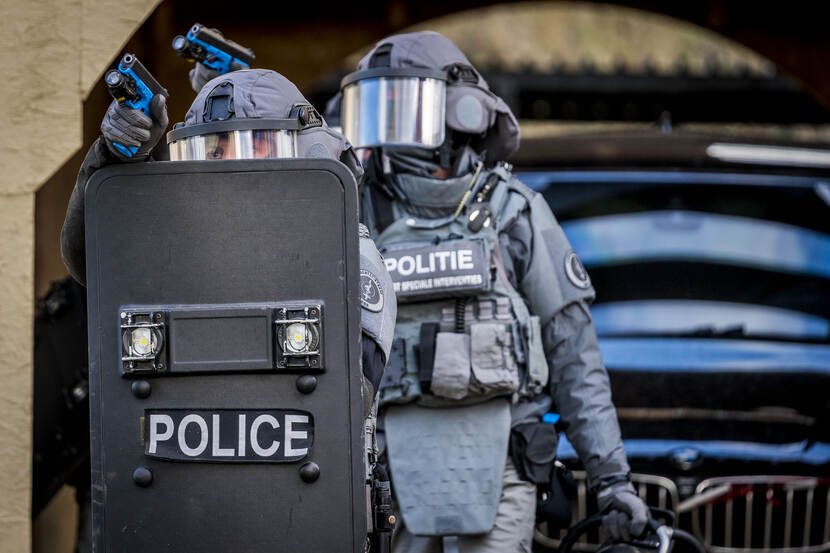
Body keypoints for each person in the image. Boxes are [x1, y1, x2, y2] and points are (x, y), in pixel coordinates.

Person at [333, 31, 649, 552]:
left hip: (502, 463)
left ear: (463, 114)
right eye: (375, 110)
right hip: (387, 474)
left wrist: (612, 479)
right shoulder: (353, 212)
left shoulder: (513, 212)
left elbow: (574, 355)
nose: (385, 132)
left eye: (402, 108)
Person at [61, 68, 396, 413]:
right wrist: (112, 160)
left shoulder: (347, 254)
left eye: (254, 146)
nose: (228, 167)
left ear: (309, 152)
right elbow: (92, 262)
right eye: (212, 151)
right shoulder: (187, 248)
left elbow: (346, 404)